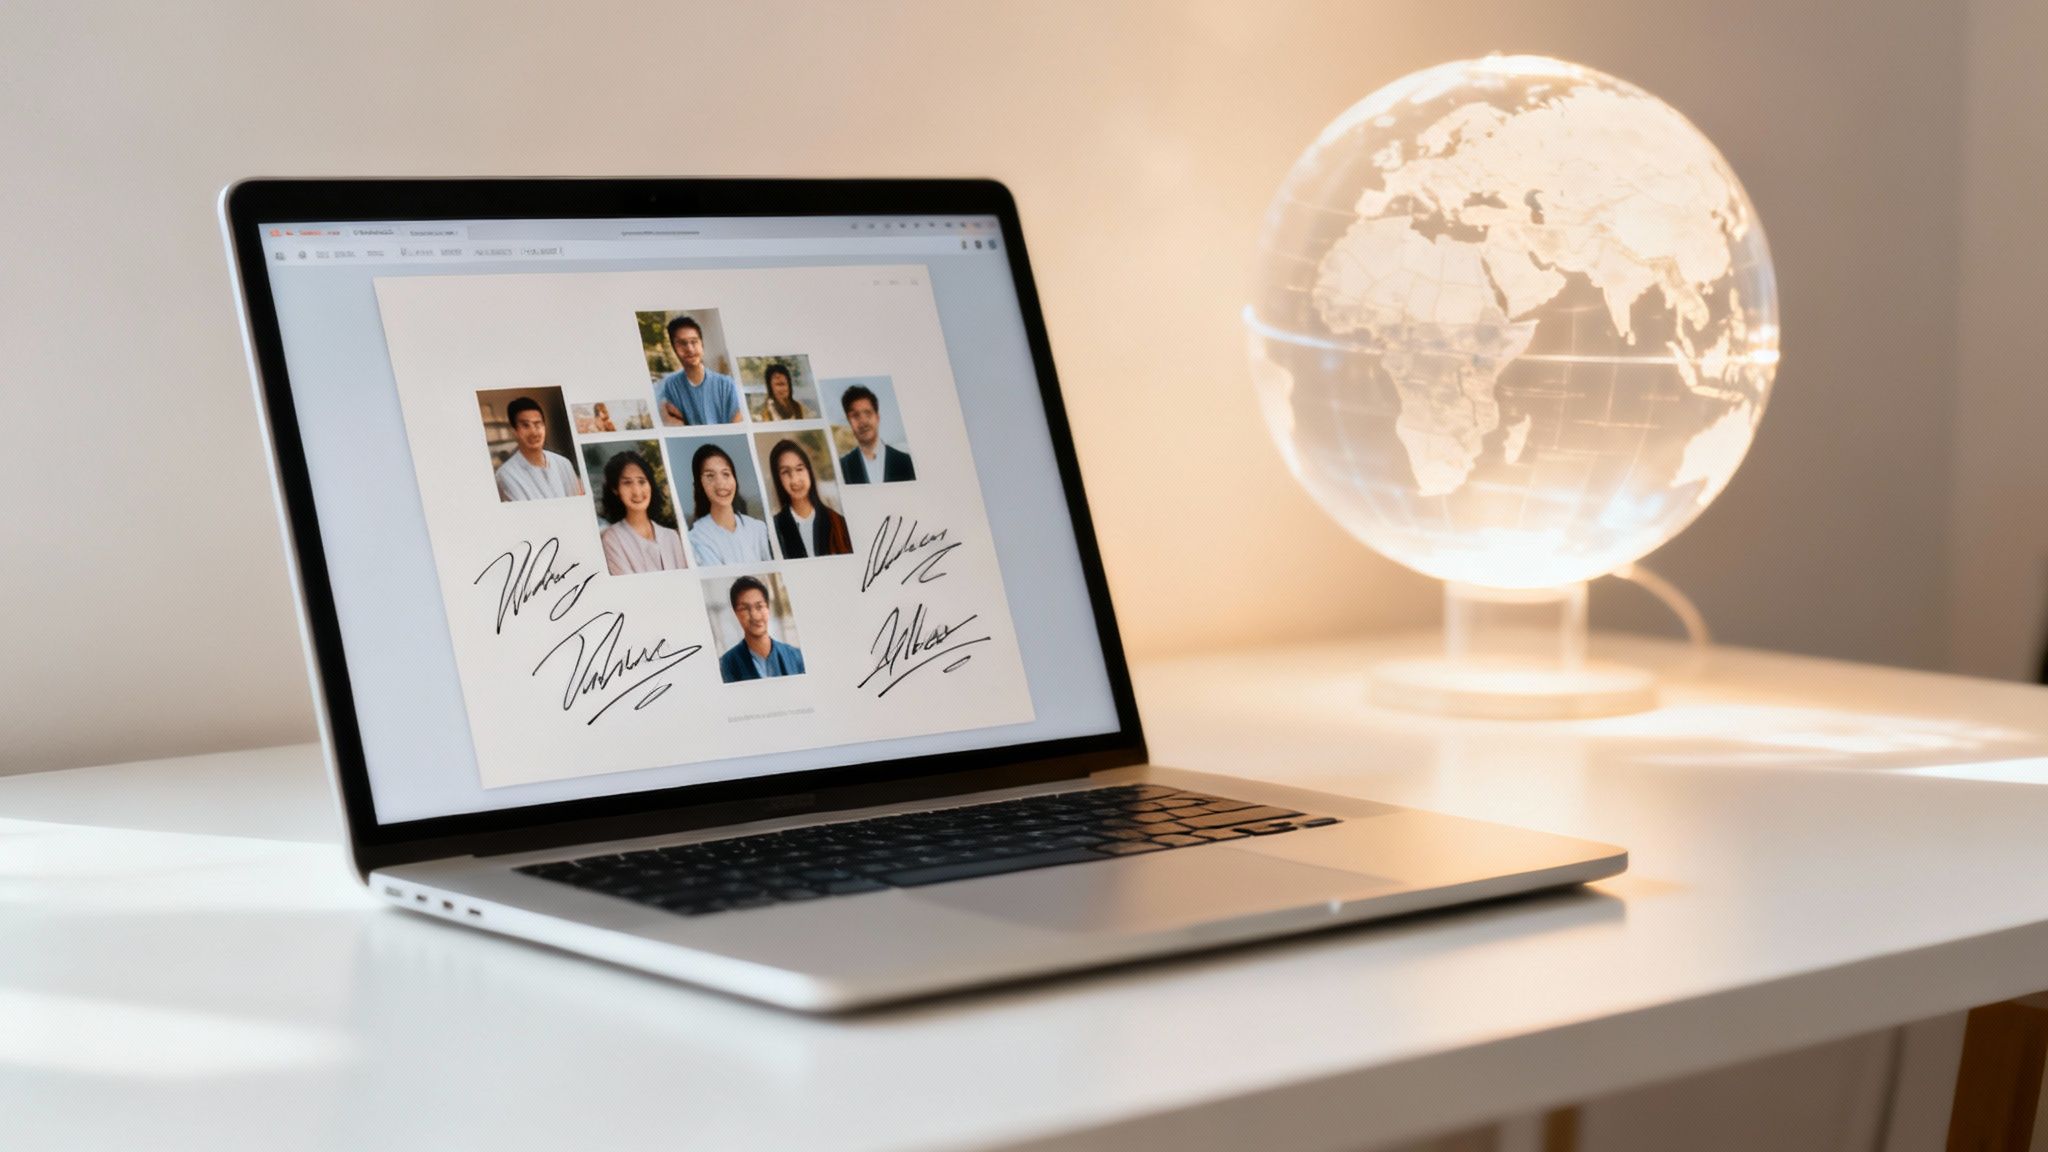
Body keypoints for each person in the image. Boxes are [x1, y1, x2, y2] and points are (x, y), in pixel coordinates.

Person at [596, 450, 687, 575]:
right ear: (615, 489)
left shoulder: (672, 536)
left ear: (650, 484)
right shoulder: (612, 539)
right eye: (627, 483)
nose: (637, 491)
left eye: (642, 481)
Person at [684, 442, 774, 566]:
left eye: (726, 474)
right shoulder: (696, 537)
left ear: (734, 479)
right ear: (699, 485)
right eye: (710, 476)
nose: (721, 484)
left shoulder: (758, 529)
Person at [767, 439, 853, 559]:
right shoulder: (773, 529)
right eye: (785, 472)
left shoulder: (838, 523)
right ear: (778, 480)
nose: (795, 479)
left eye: (800, 469)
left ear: (809, 471)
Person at [654, 315, 742, 426]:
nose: (690, 349)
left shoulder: (726, 384)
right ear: (674, 348)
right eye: (682, 343)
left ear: (702, 344)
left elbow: (737, 423)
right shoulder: (671, 386)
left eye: (694, 341)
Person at [494, 396, 586, 501]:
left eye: (538, 424)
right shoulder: (506, 475)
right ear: (514, 432)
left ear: (544, 427)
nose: (534, 432)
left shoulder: (564, 463)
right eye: (525, 425)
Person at [717, 576, 805, 683]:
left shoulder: (797, 657)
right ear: (736, 614)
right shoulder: (725, 666)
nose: (755, 616)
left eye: (759, 606)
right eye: (745, 608)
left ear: (768, 608)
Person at [836, 383, 915, 483]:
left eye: (868, 413)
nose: (863, 422)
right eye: (855, 416)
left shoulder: (906, 462)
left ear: (877, 417)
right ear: (849, 421)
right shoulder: (842, 468)